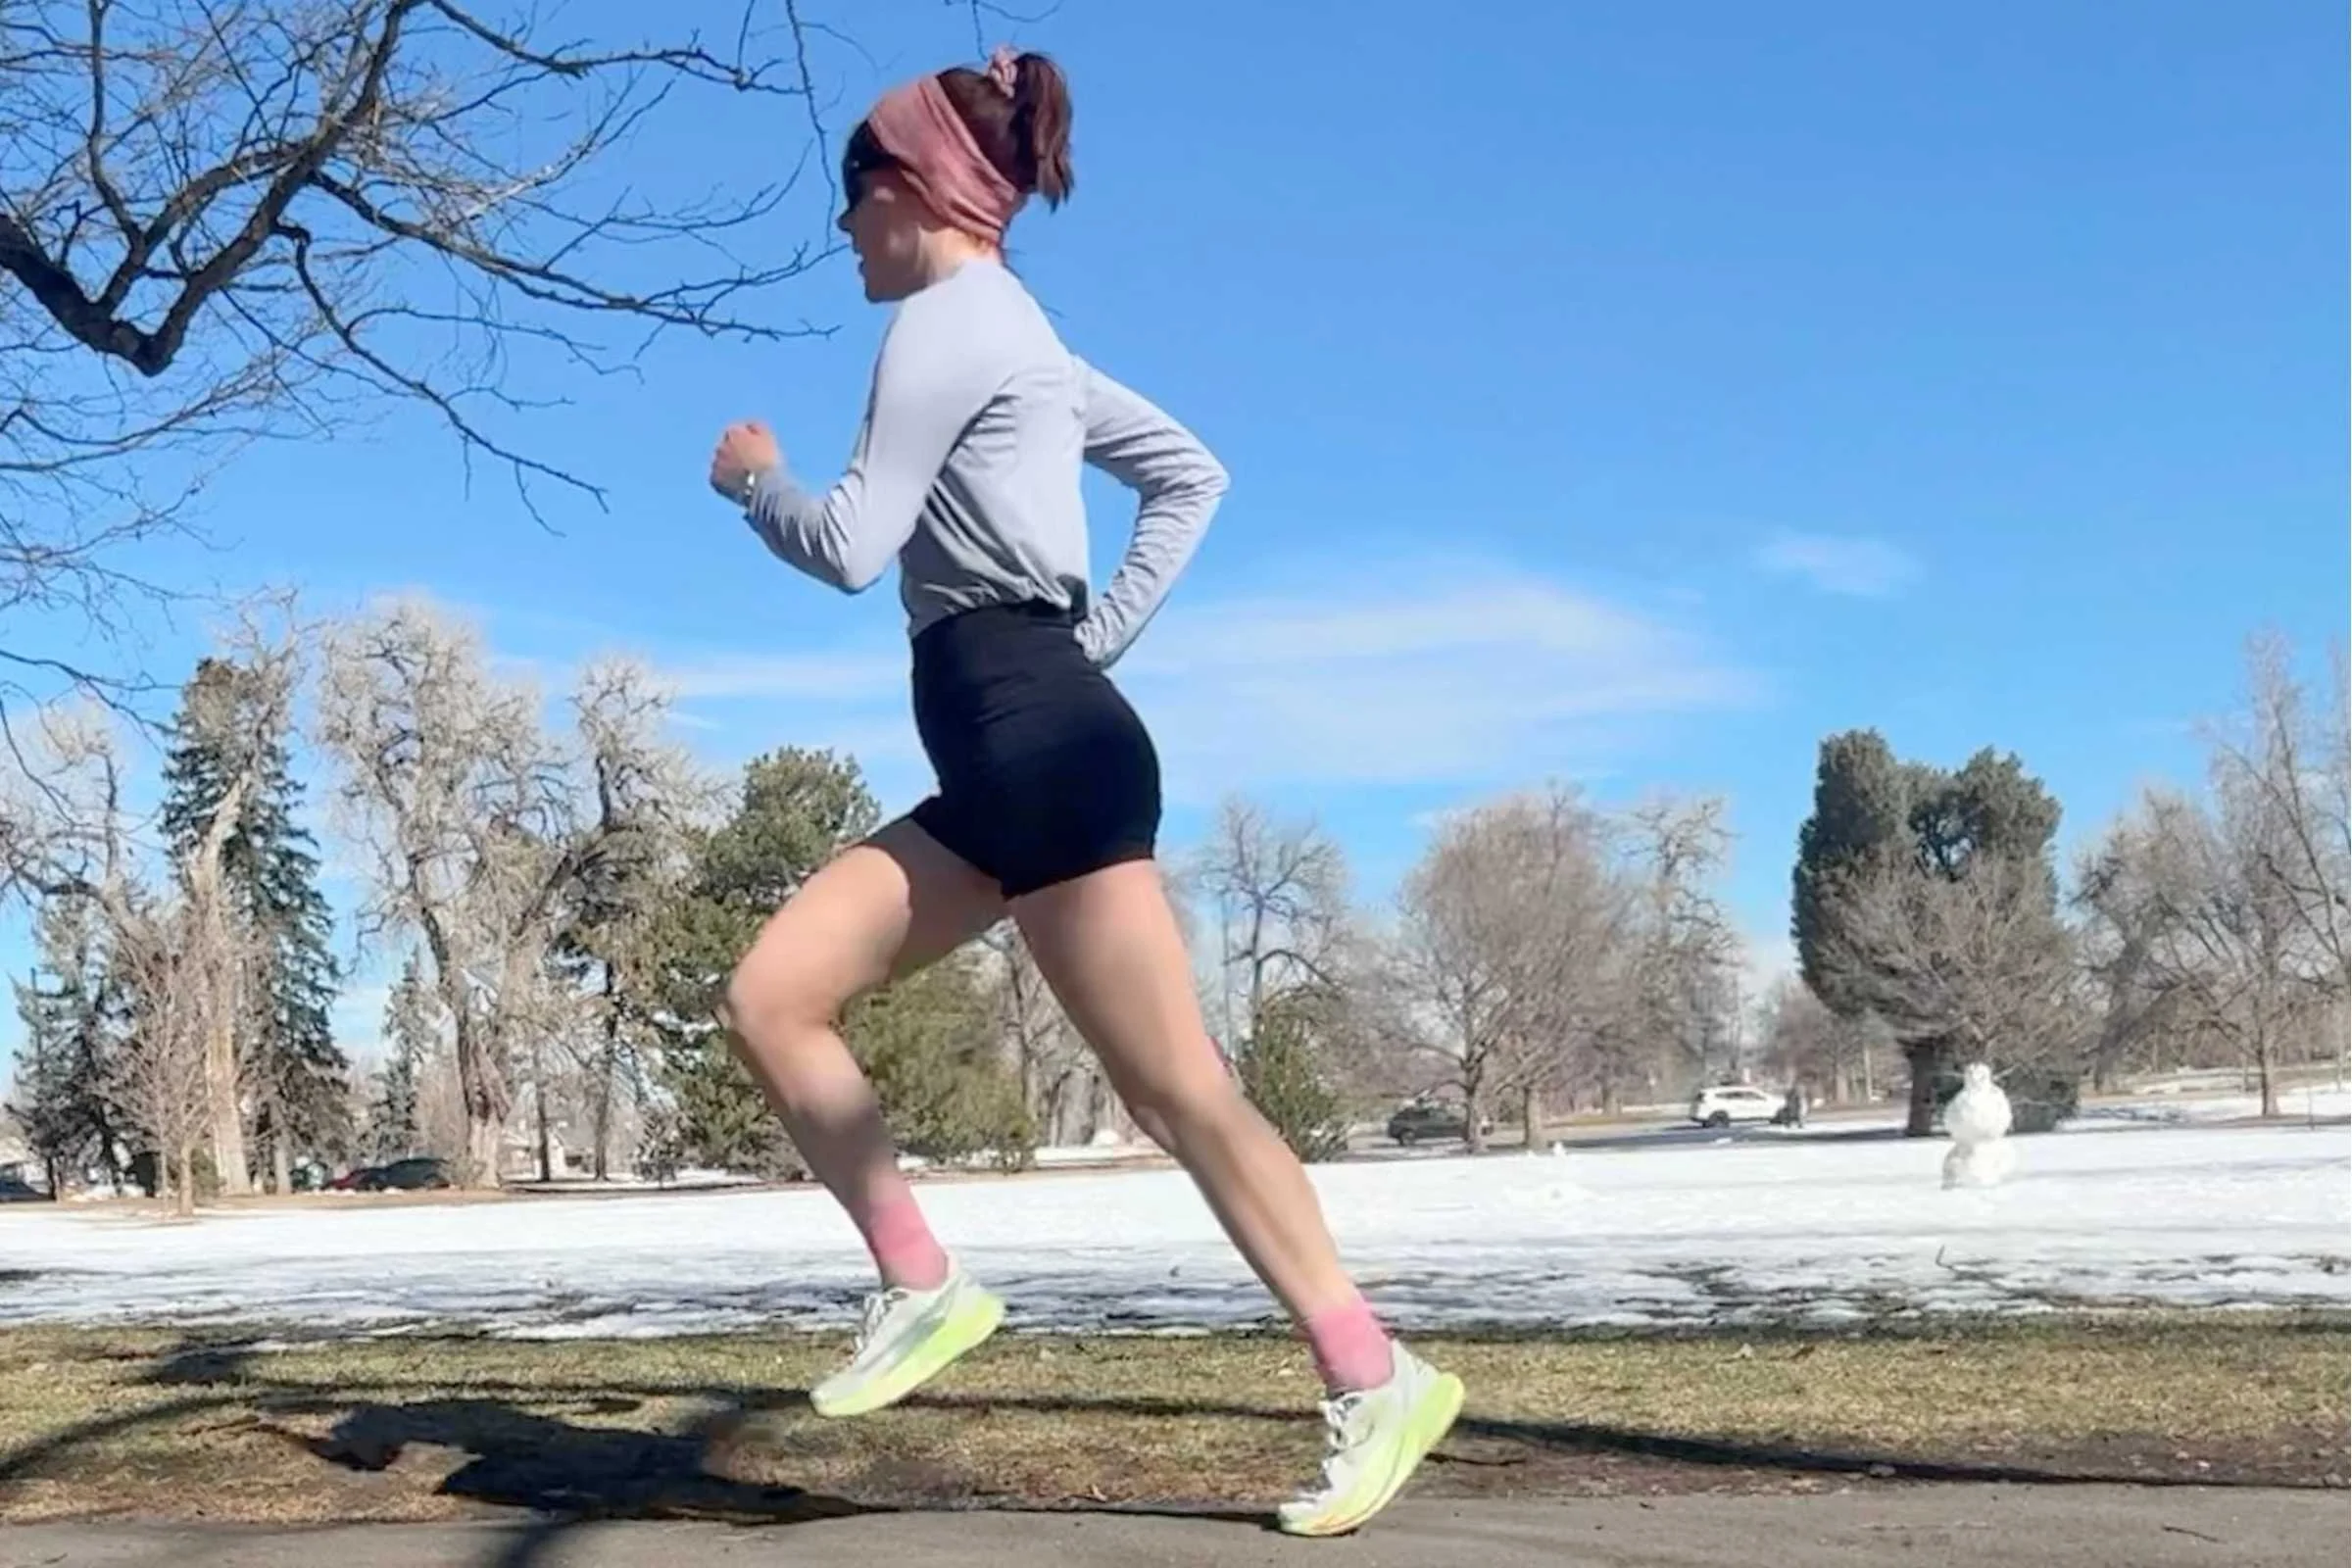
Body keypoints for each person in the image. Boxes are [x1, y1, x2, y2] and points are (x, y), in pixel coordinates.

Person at [704, 45, 1462, 1538]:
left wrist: (753, 482)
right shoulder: (1025, 337)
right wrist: (1088, 644)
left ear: (912, 192)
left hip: (1037, 747)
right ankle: (923, 1282)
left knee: (1178, 1091)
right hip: (1014, 750)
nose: (844, 232)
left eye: (852, 201)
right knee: (771, 994)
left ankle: (1375, 1379)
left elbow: (855, 540)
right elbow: (1192, 475)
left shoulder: (943, 321)